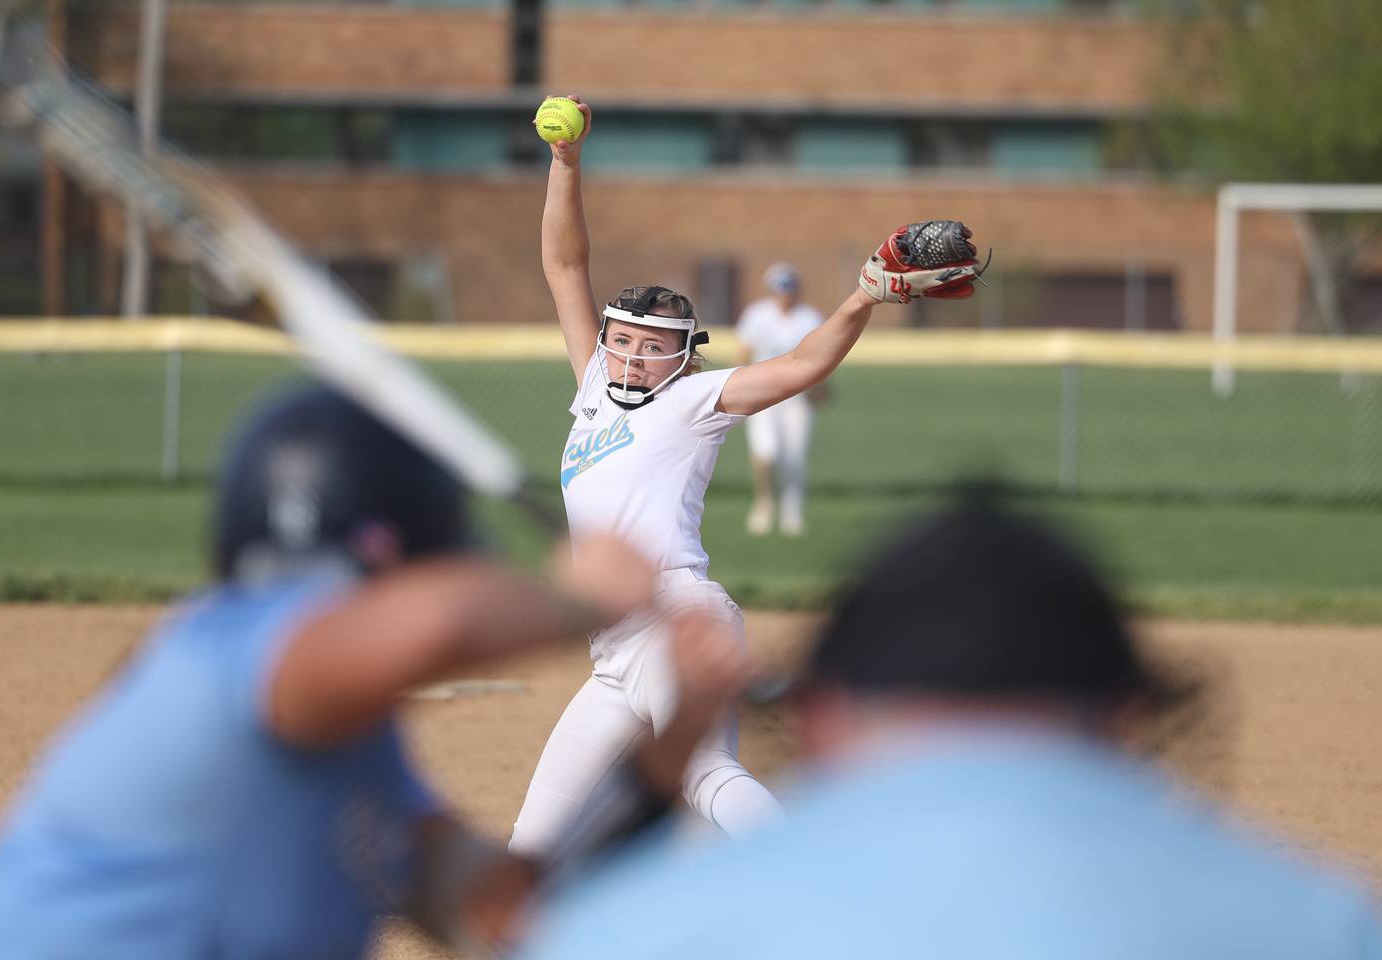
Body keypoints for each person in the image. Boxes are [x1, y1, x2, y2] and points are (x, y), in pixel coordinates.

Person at [0, 385, 752, 959]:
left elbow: (511, 914)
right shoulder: (220, 650)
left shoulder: (368, 775)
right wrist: (577, 597)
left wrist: (665, 754)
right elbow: (432, 622)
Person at [517, 492, 1382, 960]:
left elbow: (551, 928)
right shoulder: (1326, 921)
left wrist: (662, 763)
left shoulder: (667, 927)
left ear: (820, 720)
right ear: (1130, 720)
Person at [509, 95, 984, 861]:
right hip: (613, 656)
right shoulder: (595, 386)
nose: (630, 356)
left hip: (676, 618)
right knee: (531, 846)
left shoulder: (694, 397)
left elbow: (801, 365)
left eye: (650, 346)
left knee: (704, 777)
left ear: (683, 354)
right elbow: (564, 264)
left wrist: (864, 295)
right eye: (622, 340)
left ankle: (828, 868)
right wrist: (565, 163)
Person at [736, 261, 828, 537]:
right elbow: (744, 352)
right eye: (780, 288)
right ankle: (764, 501)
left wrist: (821, 387)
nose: (785, 294)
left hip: (797, 396)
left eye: (789, 288)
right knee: (767, 451)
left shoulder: (809, 317)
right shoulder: (757, 315)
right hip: (763, 394)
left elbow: (820, 356)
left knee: (795, 456)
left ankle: (792, 512)